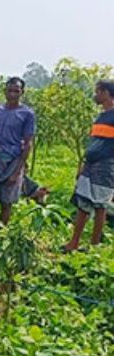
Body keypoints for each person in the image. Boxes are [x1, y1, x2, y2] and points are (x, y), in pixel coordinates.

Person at [63, 80, 114, 253]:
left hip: (106, 165)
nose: (96, 95)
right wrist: (83, 165)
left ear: (106, 93)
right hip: (91, 164)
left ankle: (94, 247)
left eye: (98, 92)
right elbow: (93, 144)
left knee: (100, 205)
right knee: (83, 203)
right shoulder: (101, 117)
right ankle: (74, 243)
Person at [0, 77, 36, 227]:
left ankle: (0, 234)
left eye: (16, 91)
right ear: (5, 91)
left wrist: (17, 171)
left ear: (22, 92)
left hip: (12, 161)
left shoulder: (27, 114)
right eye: (10, 91)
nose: (12, 94)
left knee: (6, 202)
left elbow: (28, 143)